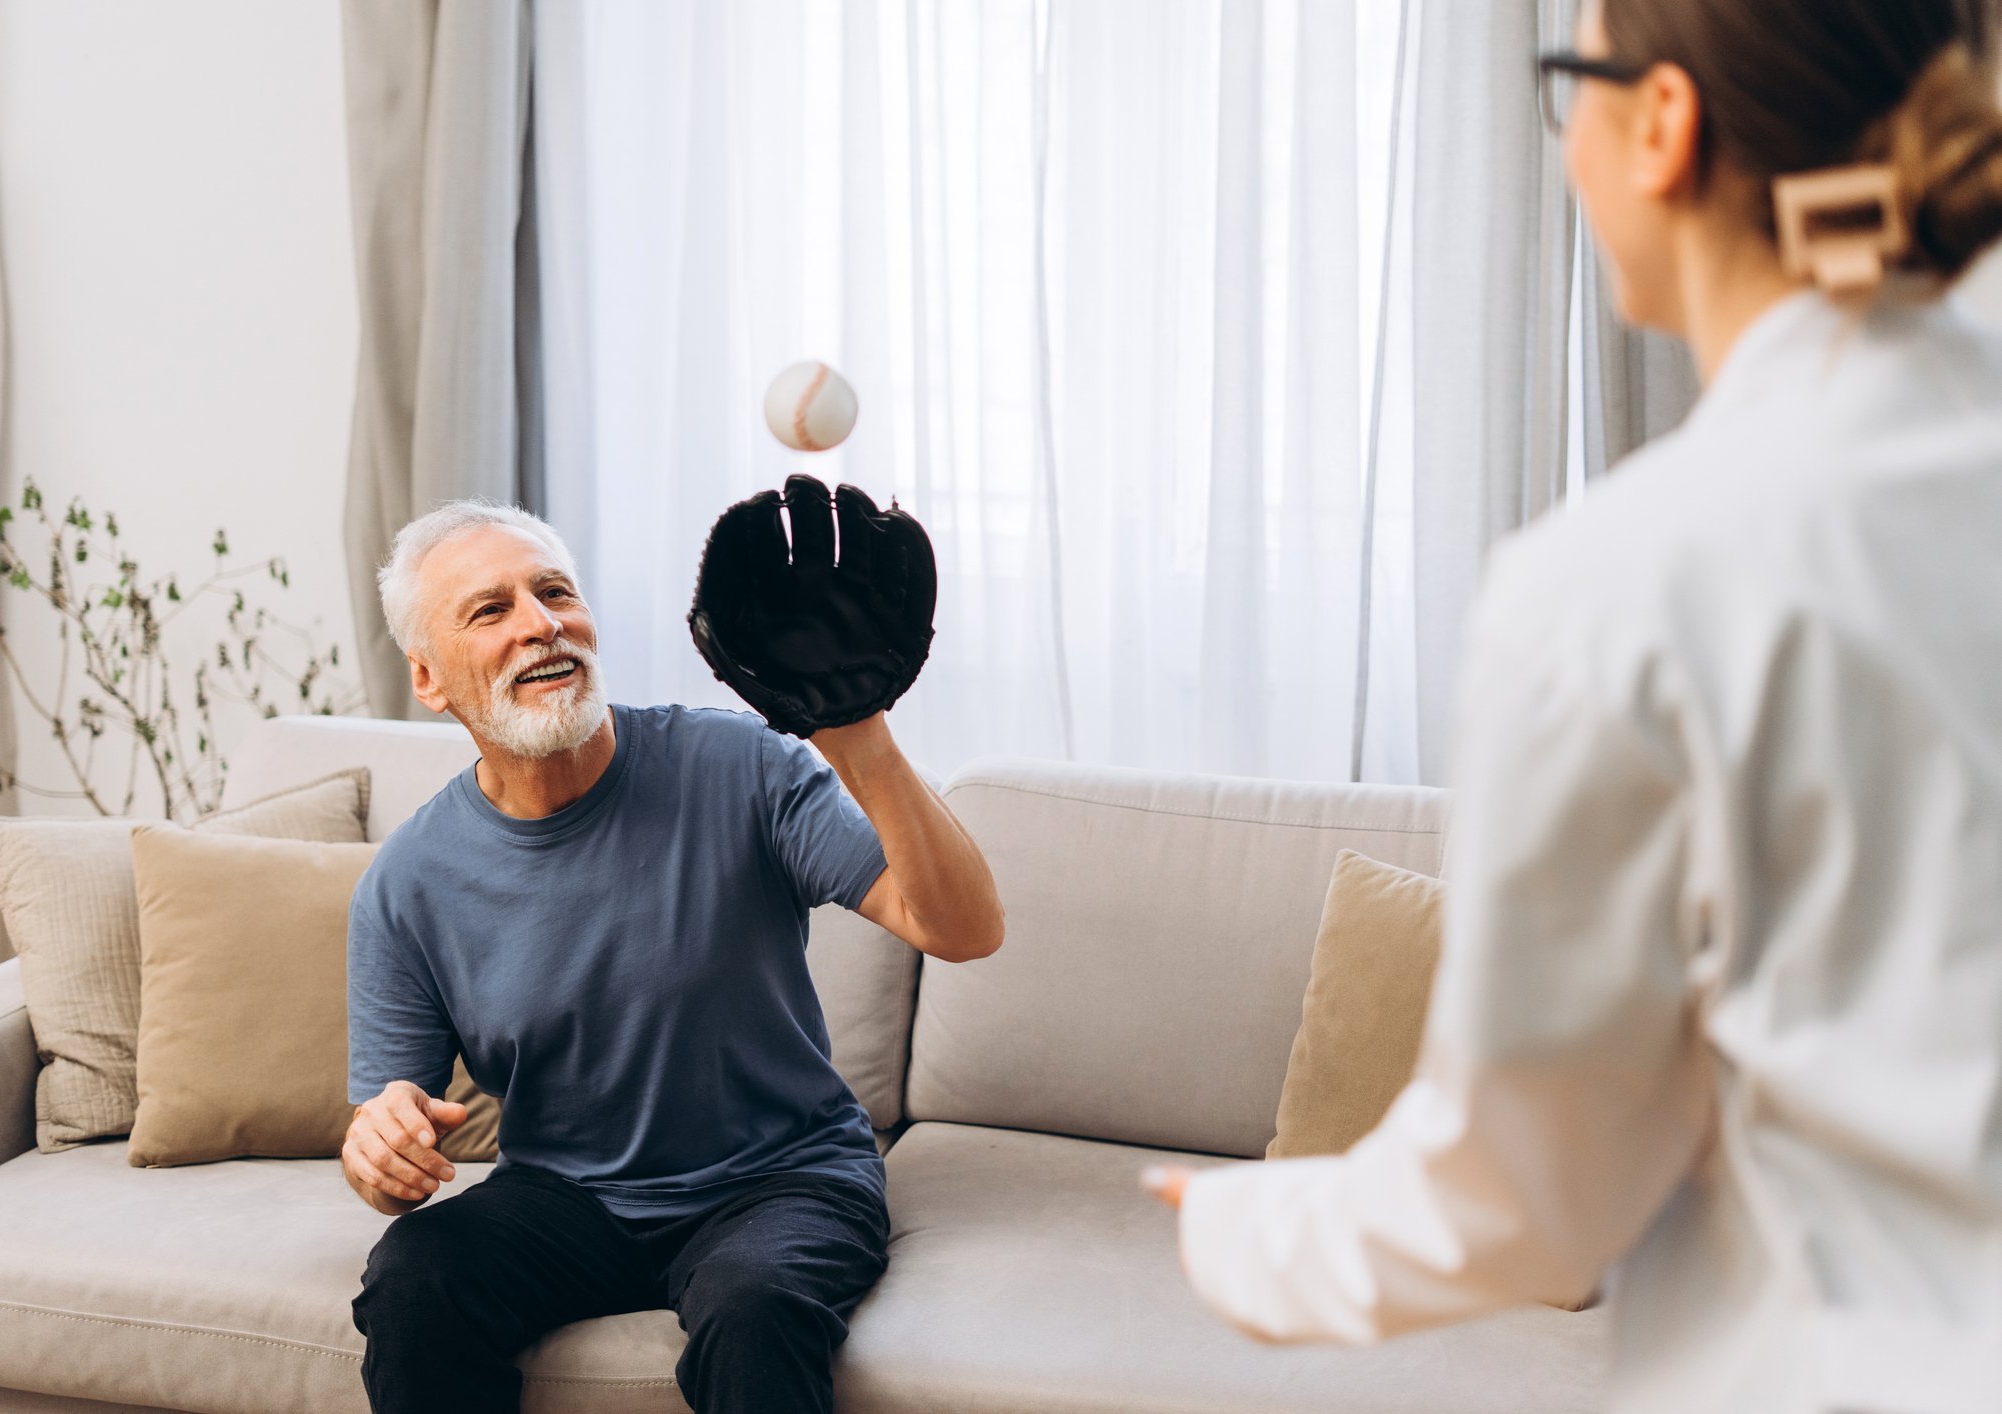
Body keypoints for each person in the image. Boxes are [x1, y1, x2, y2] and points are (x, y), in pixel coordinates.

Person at [1149, 1, 2002, 1410]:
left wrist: (1247, 1233)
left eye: (1570, 85)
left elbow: (1521, 1192)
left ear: (1661, 123)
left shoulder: (1619, 583)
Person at [339, 500, 1004, 1414]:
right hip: (566, 1201)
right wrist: (377, 1151)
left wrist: (859, 734)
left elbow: (964, 930)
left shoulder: (740, 765)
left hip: (781, 1180)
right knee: (413, 1277)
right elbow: (389, 1125)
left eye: (555, 591)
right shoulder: (408, 881)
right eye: (490, 611)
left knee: (756, 1309)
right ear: (428, 676)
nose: (541, 623)